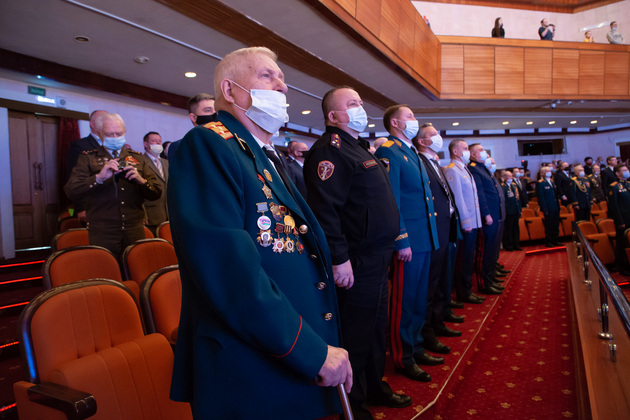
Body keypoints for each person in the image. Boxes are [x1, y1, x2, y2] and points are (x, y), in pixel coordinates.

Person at [167, 47, 352, 419]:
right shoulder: (208, 144)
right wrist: (311, 351)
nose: (282, 86)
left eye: (282, 78)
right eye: (267, 76)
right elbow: (230, 272)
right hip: (251, 362)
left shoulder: (260, 153)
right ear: (230, 90)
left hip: (284, 348)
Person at [304, 86, 410, 419]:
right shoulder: (330, 151)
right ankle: (354, 405)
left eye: (360, 103)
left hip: (378, 255)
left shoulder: (358, 147)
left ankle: (375, 387)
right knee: (357, 334)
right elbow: (326, 211)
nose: (361, 108)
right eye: (352, 104)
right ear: (333, 116)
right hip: (357, 259)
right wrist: (339, 259)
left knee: (376, 329)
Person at [374, 105, 438, 383]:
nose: (415, 120)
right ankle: (403, 356)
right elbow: (392, 199)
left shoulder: (410, 151)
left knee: (419, 298)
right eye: (410, 117)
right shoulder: (389, 150)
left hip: (424, 236)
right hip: (409, 240)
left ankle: (417, 346)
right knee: (404, 300)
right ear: (395, 123)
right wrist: (401, 239)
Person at [64, 113, 162, 258]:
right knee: (106, 268)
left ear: (124, 132)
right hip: (103, 231)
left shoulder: (137, 158)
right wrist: (98, 178)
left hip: (134, 228)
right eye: (110, 134)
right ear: (100, 134)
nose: (115, 137)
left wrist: (141, 181)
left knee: (136, 266)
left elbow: (156, 192)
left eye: (118, 133)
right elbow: (71, 190)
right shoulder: (88, 158)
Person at [414, 123, 463, 356]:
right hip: (431, 232)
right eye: (433, 134)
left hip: (445, 228)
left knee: (442, 280)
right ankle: (427, 332)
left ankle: (438, 321)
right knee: (430, 286)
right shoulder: (419, 162)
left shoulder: (435, 162)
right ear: (422, 141)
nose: (438, 137)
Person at [444, 139, 485, 305]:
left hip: (474, 221)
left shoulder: (464, 169)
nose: (468, 151)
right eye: (466, 148)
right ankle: (463, 292)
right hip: (465, 223)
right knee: (463, 260)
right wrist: (466, 221)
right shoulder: (452, 170)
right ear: (455, 151)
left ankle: (467, 290)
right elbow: (458, 199)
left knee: (469, 258)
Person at [468, 144, 503, 295]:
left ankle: (490, 278)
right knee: (484, 251)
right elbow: (480, 194)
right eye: (481, 150)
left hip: (494, 214)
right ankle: (484, 284)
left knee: (491, 251)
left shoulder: (483, 169)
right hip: (487, 217)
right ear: (473, 154)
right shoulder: (474, 169)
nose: (484, 152)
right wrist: (486, 214)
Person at [65, 110, 107, 222]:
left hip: (110, 205)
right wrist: (81, 208)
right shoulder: (80, 146)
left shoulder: (112, 145)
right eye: (103, 119)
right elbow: (74, 179)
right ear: (92, 124)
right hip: (91, 206)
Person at [168, 93, 216, 160]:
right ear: (193, 117)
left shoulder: (226, 141)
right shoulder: (180, 146)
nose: (215, 114)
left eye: (216, 110)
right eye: (208, 110)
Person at [142, 131, 169, 234]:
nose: (158, 143)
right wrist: (143, 214)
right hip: (151, 214)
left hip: (168, 213)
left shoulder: (166, 162)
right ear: (146, 144)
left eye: (159, 141)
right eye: (154, 141)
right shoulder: (141, 161)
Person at [607, 164, 630, 276]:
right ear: (617, 173)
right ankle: (622, 266)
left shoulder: (628, 184)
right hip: (623, 219)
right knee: (622, 243)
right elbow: (614, 206)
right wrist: (619, 221)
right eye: (624, 170)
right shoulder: (614, 186)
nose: (627, 171)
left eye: (627, 169)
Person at [536, 166, 561, 247]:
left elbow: (555, 195)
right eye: (547, 171)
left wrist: (558, 207)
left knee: (555, 224)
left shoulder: (552, 181)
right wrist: (544, 208)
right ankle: (549, 241)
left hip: (555, 206)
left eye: (549, 171)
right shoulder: (540, 183)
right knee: (549, 225)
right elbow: (541, 197)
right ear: (543, 173)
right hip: (548, 207)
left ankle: (555, 239)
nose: (549, 172)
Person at [502, 171, 522, 251]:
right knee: (509, 229)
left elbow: (518, 198)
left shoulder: (514, 185)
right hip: (509, 211)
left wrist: (520, 210)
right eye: (509, 176)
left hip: (516, 209)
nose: (510, 178)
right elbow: (504, 200)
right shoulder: (503, 186)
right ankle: (509, 245)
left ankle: (516, 244)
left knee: (516, 228)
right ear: (505, 177)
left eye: (511, 176)